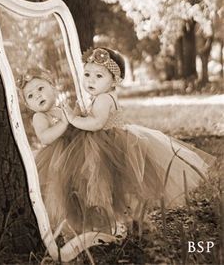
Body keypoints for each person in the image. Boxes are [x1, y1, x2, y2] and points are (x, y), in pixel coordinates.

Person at [59, 47, 215, 234]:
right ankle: (124, 221)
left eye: (99, 76)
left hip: (107, 144)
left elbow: (97, 123)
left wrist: (73, 118)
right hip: (107, 141)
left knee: (105, 183)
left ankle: (116, 222)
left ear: (114, 81)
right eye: (87, 74)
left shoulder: (103, 99)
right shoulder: (101, 96)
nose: (91, 80)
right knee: (116, 187)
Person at [16, 68, 80, 236]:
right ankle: (70, 230)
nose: (37, 95)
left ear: (53, 87)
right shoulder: (40, 117)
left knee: (82, 188)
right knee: (65, 194)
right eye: (30, 96)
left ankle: (91, 222)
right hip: (58, 159)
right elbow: (45, 137)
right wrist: (63, 124)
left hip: (78, 151)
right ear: (29, 106)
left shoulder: (61, 108)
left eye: (40, 88)